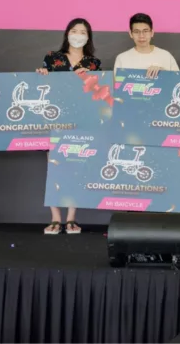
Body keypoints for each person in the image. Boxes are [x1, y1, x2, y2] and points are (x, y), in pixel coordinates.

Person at [35, 18, 101, 235]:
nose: (78, 35)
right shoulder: (52, 58)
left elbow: (98, 92)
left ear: (88, 37)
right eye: (74, 30)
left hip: (81, 120)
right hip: (53, 119)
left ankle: (71, 218)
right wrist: (41, 76)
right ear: (67, 33)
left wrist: (90, 81)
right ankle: (55, 218)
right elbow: (41, 88)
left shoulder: (94, 63)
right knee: (53, 167)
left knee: (76, 166)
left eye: (83, 32)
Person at [113, 13, 179, 75]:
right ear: (130, 34)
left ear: (152, 33)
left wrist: (163, 73)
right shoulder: (122, 59)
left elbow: (178, 80)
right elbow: (116, 83)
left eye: (145, 31)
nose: (141, 36)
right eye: (136, 32)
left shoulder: (166, 56)